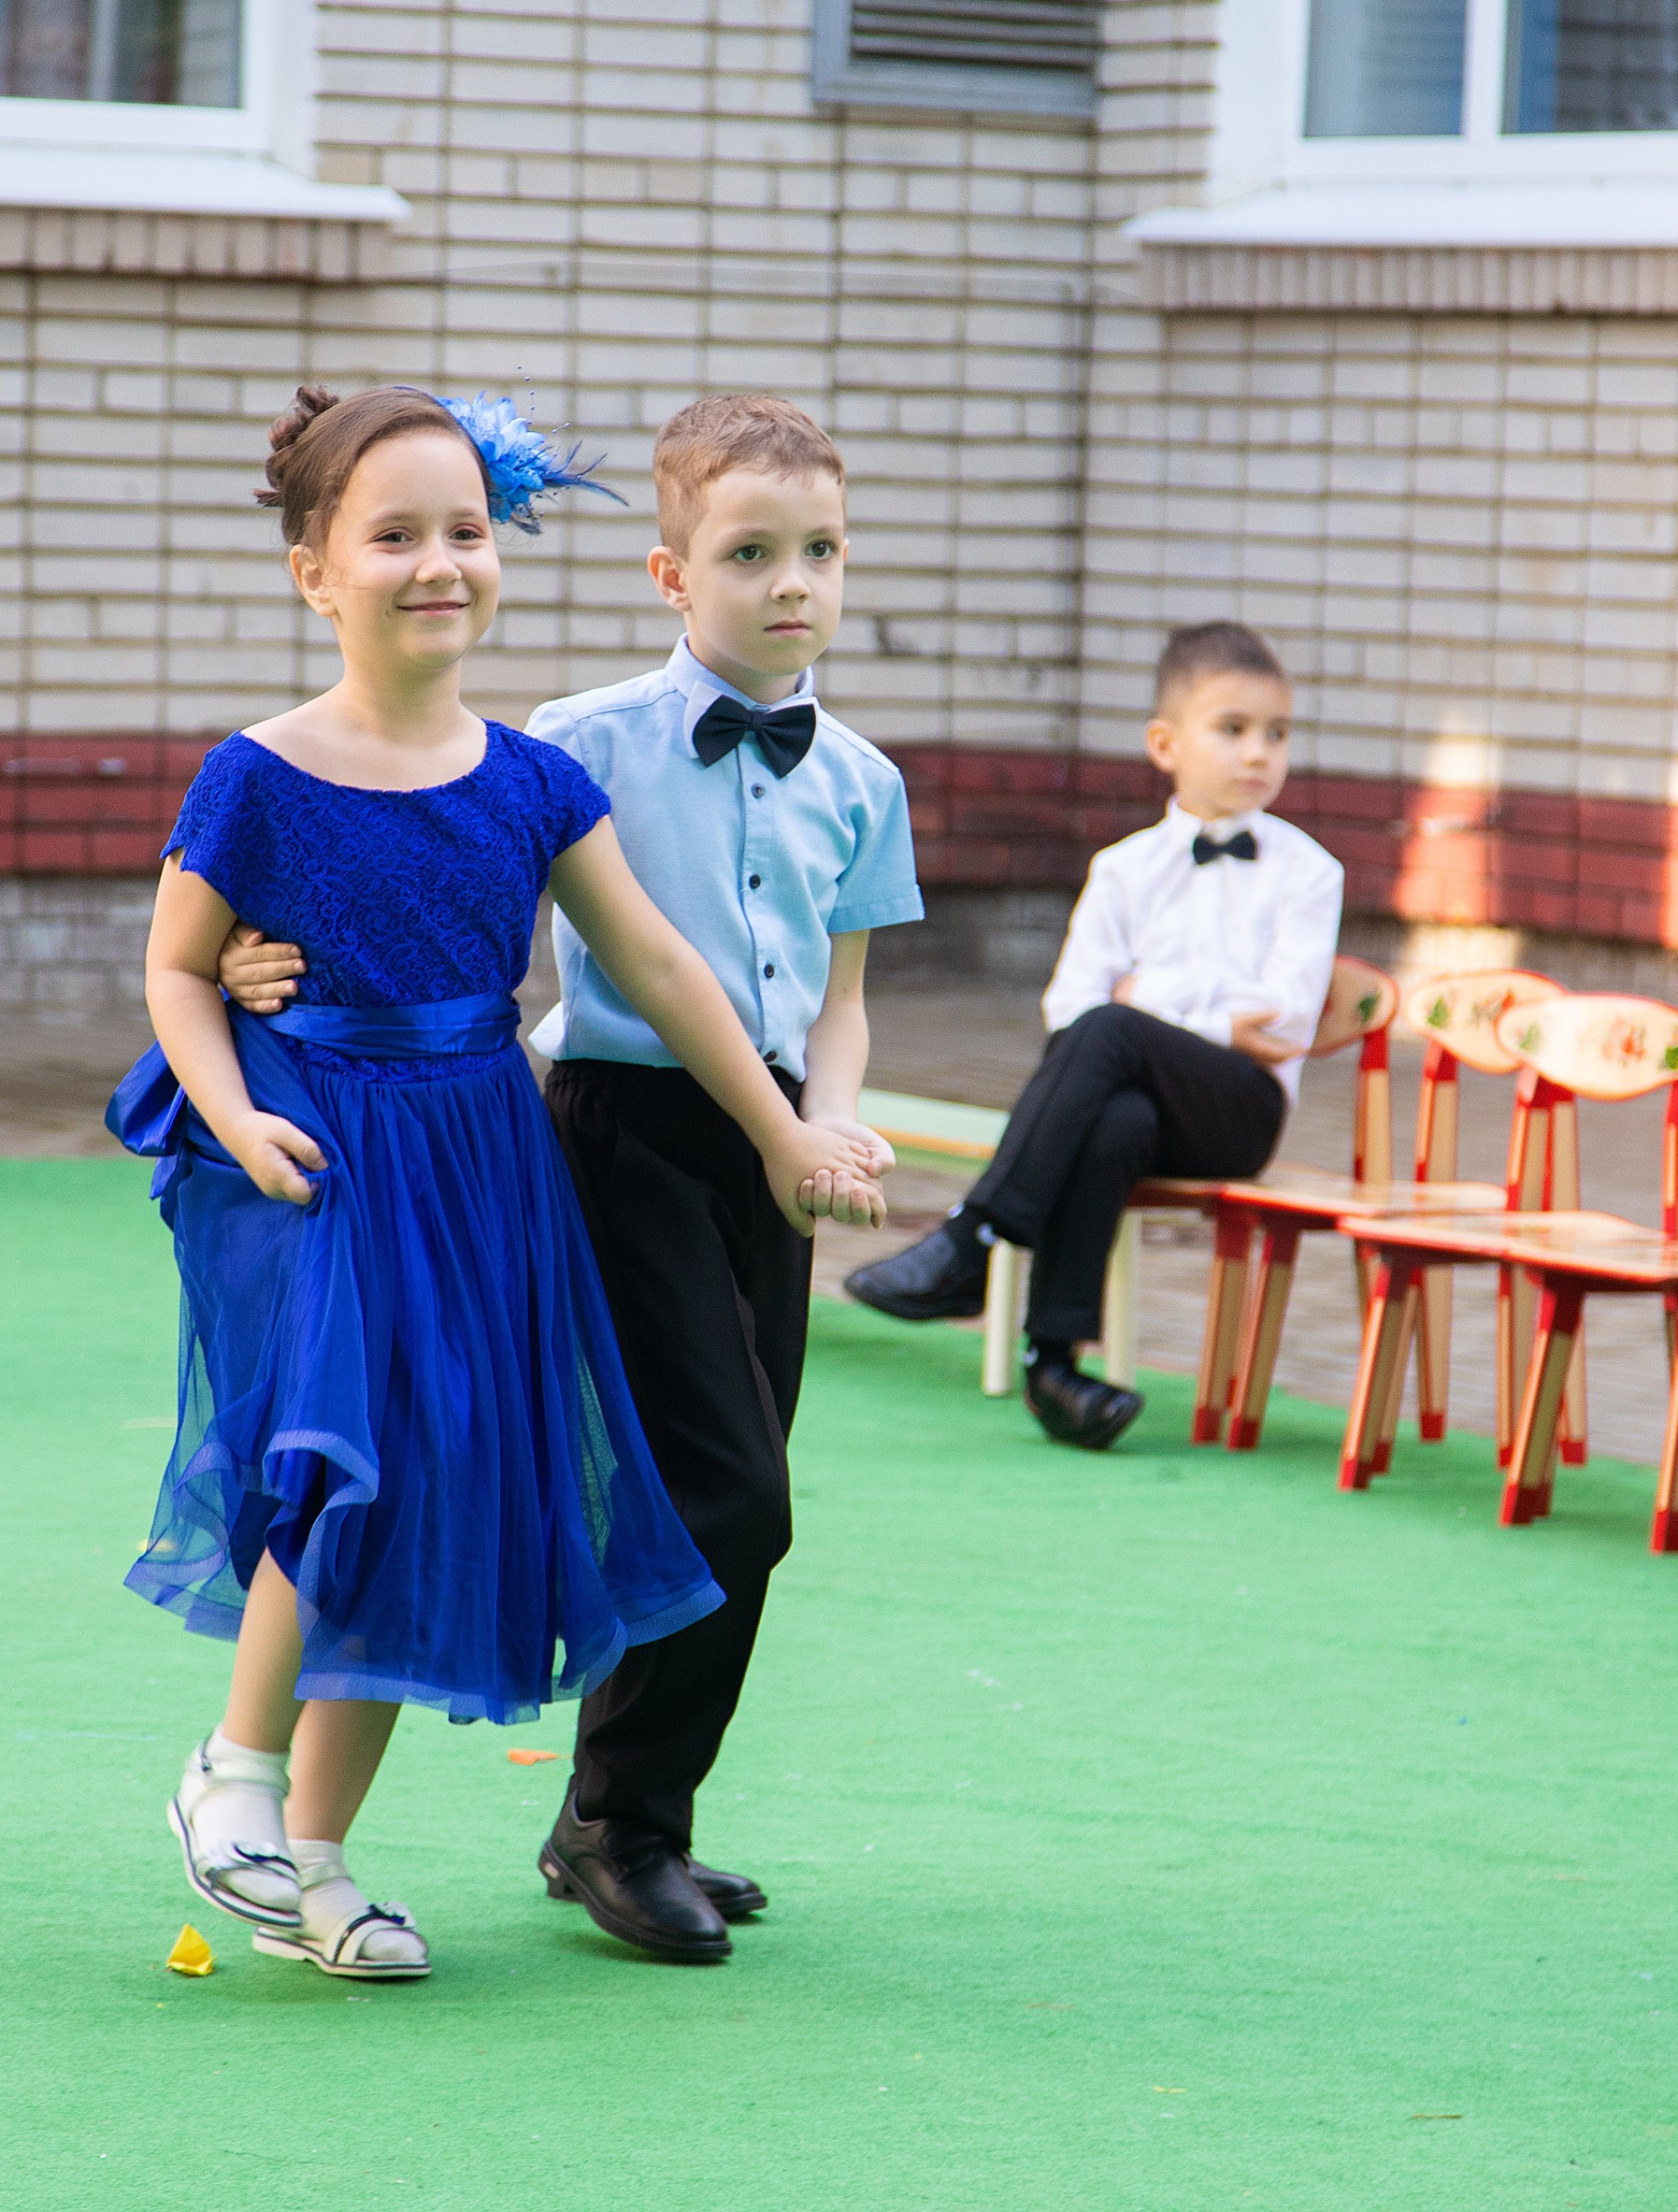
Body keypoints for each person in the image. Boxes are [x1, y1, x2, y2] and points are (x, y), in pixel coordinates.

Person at [113, 382, 886, 1985]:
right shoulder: (258, 774)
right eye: (392, 534)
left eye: (466, 528)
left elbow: (664, 963)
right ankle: (234, 1777)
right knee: (349, 1458)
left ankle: (315, 1866)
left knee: (439, 1487)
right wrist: (237, 1110)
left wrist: (788, 1125)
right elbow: (180, 972)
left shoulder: (531, 781)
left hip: (483, 1156)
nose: (439, 560)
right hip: (321, 1152)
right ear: (313, 571)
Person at [844, 620, 1343, 1451]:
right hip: (1149, 1105)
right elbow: (1067, 1008)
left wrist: (1157, 998)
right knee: (1115, 1118)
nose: (1260, 752)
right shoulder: (1124, 868)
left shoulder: (1307, 872)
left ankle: (974, 1238)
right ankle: (1057, 1370)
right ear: (1164, 743)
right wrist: (1213, 1012)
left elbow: (1284, 1021)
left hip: (1239, 1112)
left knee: (1115, 1027)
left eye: (1277, 733)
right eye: (1233, 729)